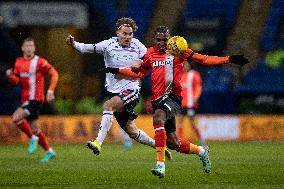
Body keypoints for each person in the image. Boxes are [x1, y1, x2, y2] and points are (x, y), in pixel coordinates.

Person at [105, 25, 249, 178]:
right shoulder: (150, 54)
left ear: (169, 39)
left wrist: (229, 59)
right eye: (158, 40)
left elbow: (204, 59)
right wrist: (117, 70)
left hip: (173, 98)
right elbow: (140, 72)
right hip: (158, 99)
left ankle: (160, 165)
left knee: (158, 118)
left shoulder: (178, 50)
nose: (161, 43)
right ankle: (201, 151)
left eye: (164, 40)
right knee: (174, 143)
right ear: (155, 40)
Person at [65, 17, 172, 159]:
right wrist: (74, 44)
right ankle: (159, 146)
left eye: (130, 34)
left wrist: (144, 62)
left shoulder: (138, 46)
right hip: (114, 91)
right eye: (125, 34)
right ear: (118, 33)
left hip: (131, 89)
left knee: (108, 106)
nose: (128, 37)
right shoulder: (108, 44)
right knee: (131, 131)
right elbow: (87, 48)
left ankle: (98, 142)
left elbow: (151, 60)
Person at [6, 37, 58, 163]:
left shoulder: (39, 62)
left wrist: (50, 90)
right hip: (26, 100)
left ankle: (32, 138)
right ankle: (49, 151)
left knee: (16, 118)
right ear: (22, 48)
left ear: (34, 48)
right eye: (27, 46)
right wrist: (10, 76)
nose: (29, 48)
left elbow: (54, 74)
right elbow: (16, 81)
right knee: (35, 128)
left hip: (36, 99)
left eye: (31, 46)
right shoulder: (18, 62)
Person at [177, 61, 203, 144]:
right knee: (180, 122)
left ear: (189, 66)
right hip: (181, 103)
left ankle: (201, 140)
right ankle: (179, 141)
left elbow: (198, 87)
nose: (185, 66)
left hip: (190, 104)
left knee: (192, 123)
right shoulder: (179, 75)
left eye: (186, 65)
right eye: (183, 65)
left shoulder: (194, 74)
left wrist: (196, 96)